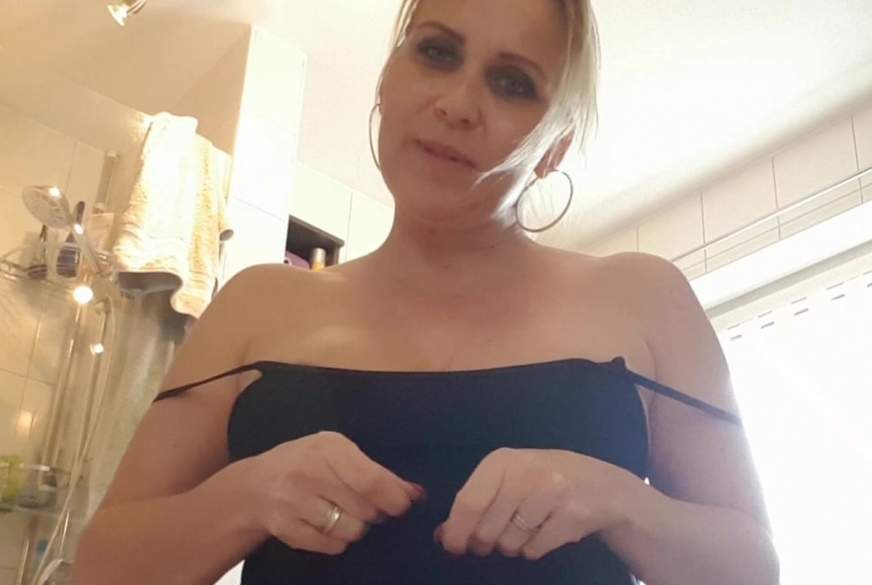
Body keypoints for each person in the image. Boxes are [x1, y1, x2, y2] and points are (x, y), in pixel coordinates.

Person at [73, 0, 780, 584]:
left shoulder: (644, 299)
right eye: (437, 52)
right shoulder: (256, 305)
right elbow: (101, 566)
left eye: (512, 83)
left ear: (556, 146)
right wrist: (247, 495)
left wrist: (615, 500)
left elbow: (751, 569)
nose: (458, 104)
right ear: (388, 78)